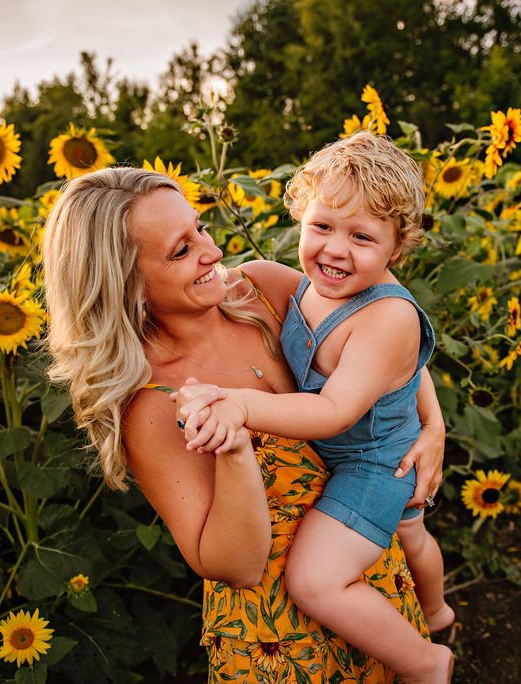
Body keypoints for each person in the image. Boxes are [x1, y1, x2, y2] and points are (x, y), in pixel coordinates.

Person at [41, 165, 447, 682]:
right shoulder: (153, 405)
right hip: (277, 638)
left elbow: (380, 333)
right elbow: (233, 566)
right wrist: (234, 456)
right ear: (127, 283)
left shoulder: (261, 289)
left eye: (200, 228)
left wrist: (432, 425)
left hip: (370, 589)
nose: (212, 253)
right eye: (180, 250)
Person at [174, 132, 454, 683]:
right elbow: (409, 368)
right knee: (412, 531)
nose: (335, 249)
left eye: (362, 237)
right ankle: (438, 610)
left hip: (373, 463)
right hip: (356, 449)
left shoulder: (386, 315)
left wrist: (241, 405)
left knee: (315, 580)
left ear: (396, 248)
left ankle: (426, 662)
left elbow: (332, 412)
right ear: (302, 215)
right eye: (322, 225)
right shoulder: (303, 286)